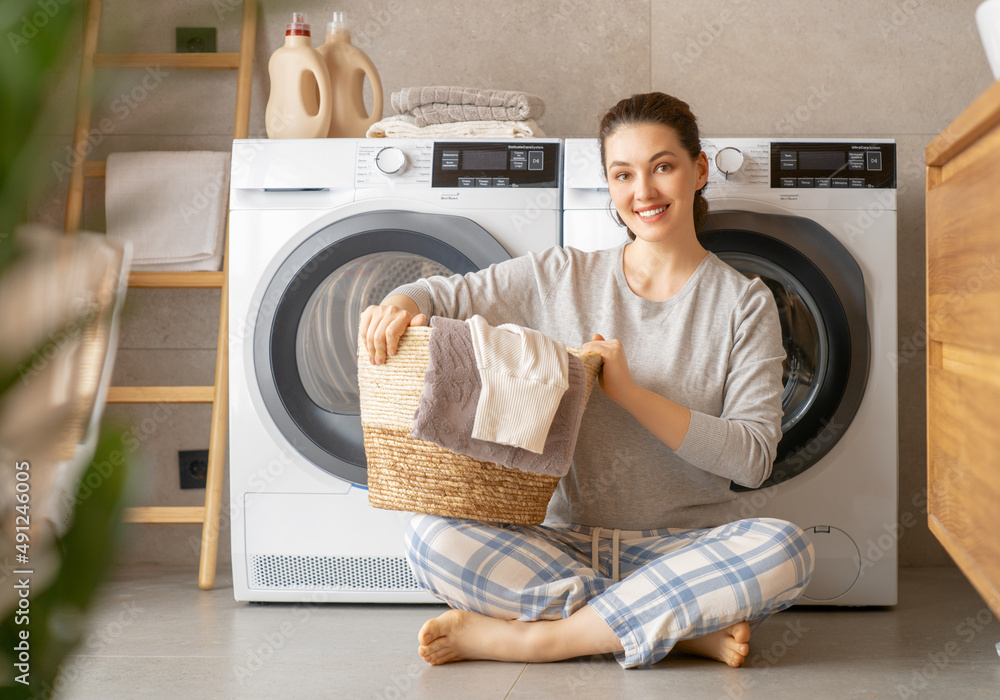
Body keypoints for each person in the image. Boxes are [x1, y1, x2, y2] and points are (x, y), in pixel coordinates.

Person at [359, 92, 815, 669]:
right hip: (562, 545)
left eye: (663, 167)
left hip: (684, 549)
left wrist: (629, 393)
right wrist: (396, 303)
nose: (643, 193)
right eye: (623, 174)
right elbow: (445, 293)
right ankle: (671, 630)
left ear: (698, 171)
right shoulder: (561, 276)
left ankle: (541, 639)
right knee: (430, 537)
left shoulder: (745, 303)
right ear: (609, 186)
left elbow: (752, 459)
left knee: (784, 549)